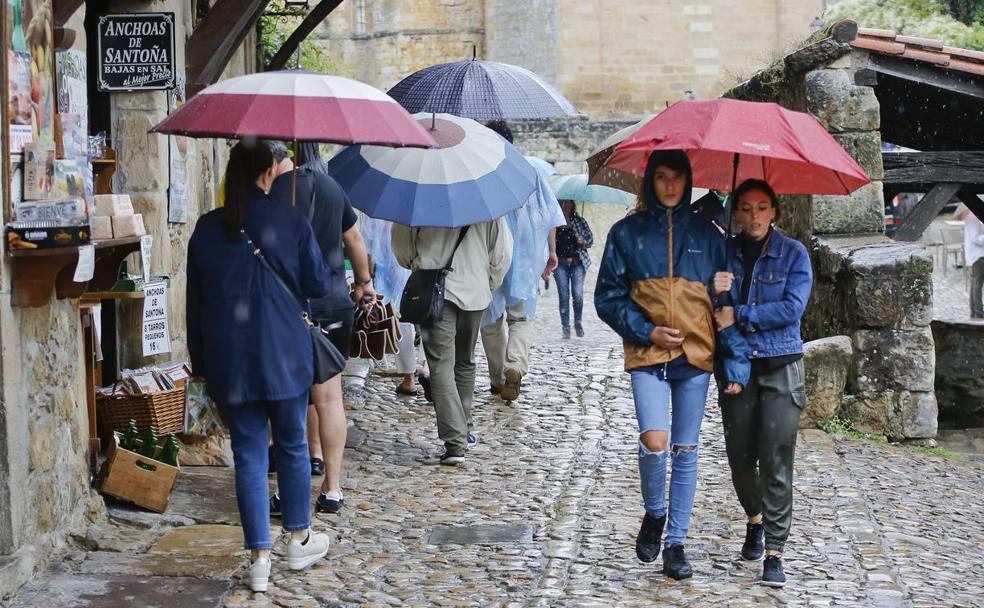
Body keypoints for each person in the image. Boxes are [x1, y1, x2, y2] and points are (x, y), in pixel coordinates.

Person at [595, 150, 749, 580]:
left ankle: (676, 544)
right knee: (655, 441)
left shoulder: (710, 235)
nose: (669, 185)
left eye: (677, 177)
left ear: (688, 181)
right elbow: (607, 298)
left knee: (686, 450)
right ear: (649, 181)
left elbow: (726, 307)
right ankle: (655, 513)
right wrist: (647, 331)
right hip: (648, 355)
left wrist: (734, 364)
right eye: (661, 176)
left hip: (695, 357)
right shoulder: (626, 234)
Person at [187, 140, 332, 593]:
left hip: (231, 359)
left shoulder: (208, 228)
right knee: (291, 445)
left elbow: (194, 305)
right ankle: (299, 537)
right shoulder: (290, 220)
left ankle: (259, 560)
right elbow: (317, 283)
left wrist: (202, 363)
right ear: (269, 170)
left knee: (249, 456)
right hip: (286, 353)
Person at [265, 141, 375, 516]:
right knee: (330, 398)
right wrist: (364, 282)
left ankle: (288, 492)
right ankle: (332, 489)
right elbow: (355, 239)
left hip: (291, 305)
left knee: (292, 398)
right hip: (334, 302)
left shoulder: (280, 189)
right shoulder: (333, 187)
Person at [712, 178, 813, 588]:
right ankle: (754, 518)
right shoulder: (725, 254)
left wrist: (740, 312)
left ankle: (774, 549)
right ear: (736, 212)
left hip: (781, 366)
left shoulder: (794, 254)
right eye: (746, 208)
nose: (754, 216)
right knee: (739, 458)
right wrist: (715, 292)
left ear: (775, 212)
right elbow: (713, 311)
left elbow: (791, 308)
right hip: (737, 369)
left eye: (762, 207)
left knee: (775, 456)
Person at [392, 218, 513, 465]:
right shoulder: (486, 200)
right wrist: (487, 283)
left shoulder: (421, 195)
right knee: (465, 361)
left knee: (441, 367)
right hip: (475, 291)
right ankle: (464, 428)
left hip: (434, 289)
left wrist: (418, 263)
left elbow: (402, 248)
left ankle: (455, 441)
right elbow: (502, 254)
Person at [480, 120, 563, 401]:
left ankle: (497, 377)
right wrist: (551, 251)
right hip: (525, 257)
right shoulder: (530, 171)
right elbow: (549, 214)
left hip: (490, 254)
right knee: (520, 318)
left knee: (490, 321)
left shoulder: (481, 172)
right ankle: (515, 365)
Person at [555, 200, 593, 339]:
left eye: (568, 203)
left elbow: (590, 240)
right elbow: (548, 242)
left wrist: (582, 240)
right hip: (560, 263)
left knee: (578, 295)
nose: (565, 205)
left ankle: (578, 322)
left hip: (578, 263)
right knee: (563, 296)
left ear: (572, 204)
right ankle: (565, 328)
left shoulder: (579, 221)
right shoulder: (554, 221)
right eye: (562, 203)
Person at [960, 207, 984, 318]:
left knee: (975, 284)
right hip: (978, 255)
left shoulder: (972, 216)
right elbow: (975, 238)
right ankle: (978, 312)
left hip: (976, 255)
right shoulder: (973, 217)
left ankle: (974, 312)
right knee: (977, 285)